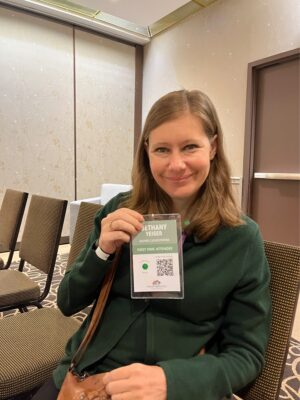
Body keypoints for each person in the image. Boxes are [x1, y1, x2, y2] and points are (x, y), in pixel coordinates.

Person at [32, 89, 271, 400]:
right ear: (146, 151)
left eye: (189, 147)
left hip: (170, 388)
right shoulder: (120, 211)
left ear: (212, 147)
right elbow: (65, 302)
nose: (176, 164)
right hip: (86, 374)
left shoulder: (241, 239)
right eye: (161, 149)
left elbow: (247, 354)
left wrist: (171, 381)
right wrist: (102, 251)